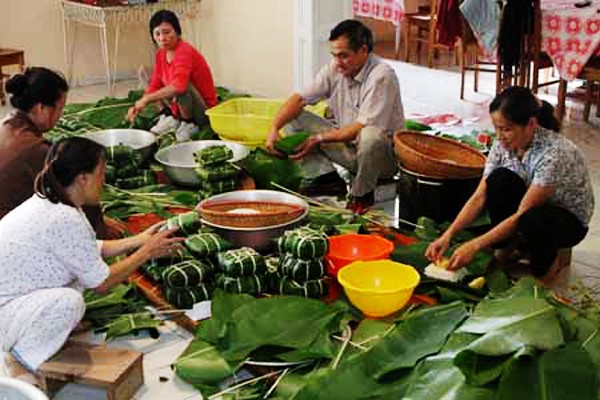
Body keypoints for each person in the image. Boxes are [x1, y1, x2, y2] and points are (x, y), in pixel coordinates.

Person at [0, 137, 183, 373]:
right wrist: (146, 253)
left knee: (74, 286)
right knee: (69, 302)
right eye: (101, 174)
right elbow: (101, 282)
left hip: (13, 300)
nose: (104, 181)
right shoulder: (63, 216)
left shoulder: (54, 202)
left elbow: (85, 249)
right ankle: (21, 362)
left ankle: (35, 334)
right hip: (5, 311)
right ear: (82, 178)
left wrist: (139, 240)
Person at [425, 86, 594, 279]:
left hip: (567, 219)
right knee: (499, 180)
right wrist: (448, 235)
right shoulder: (502, 145)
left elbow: (522, 215)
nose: (499, 136)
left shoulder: (554, 154)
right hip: (531, 204)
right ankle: (506, 249)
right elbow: (479, 197)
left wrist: (475, 245)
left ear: (531, 124)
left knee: (533, 219)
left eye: (506, 129)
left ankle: (546, 271)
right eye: (496, 128)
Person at [265, 19, 405, 214]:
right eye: (334, 55)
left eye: (344, 56)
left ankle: (362, 193)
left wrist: (319, 138)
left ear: (363, 50)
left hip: (381, 160)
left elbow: (361, 128)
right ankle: (326, 178)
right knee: (293, 117)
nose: (337, 62)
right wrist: (273, 128)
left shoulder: (382, 76)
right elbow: (299, 99)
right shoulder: (336, 68)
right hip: (350, 148)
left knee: (370, 135)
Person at [0, 67, 112, 238]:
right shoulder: (36, 150)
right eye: (60, 108)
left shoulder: (6, 123)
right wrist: (101, 230)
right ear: (41, 108)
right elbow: (77, 194)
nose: (61, 115)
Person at [127, 9, 218, 141]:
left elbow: (179, 87)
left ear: (177, 31)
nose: (162, 38)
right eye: (157, 34)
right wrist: (138, 106)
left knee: (180, 86)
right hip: (177, 105)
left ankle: (189, 124)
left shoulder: (184, 51)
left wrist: (146, 99)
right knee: (144, 72)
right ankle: (169, 116)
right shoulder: (161, 54)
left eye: (167, 32)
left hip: (202, 112)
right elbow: (155, 84)